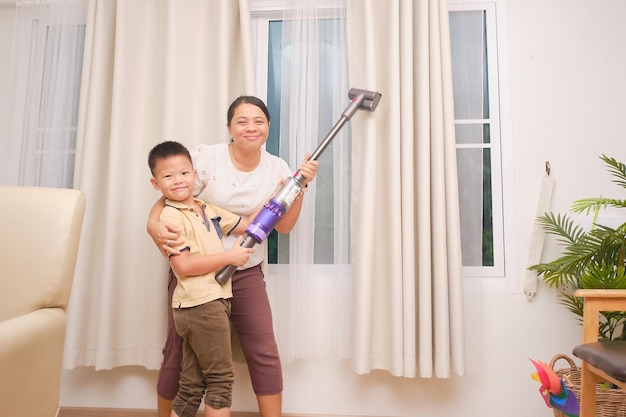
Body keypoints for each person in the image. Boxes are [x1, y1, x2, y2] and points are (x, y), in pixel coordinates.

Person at [147, 96, 319, 417]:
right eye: (242, 121)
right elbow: (172, 193)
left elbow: (282, 226)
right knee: (177, 353)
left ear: (268, 126)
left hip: (246, 271)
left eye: (258, 121)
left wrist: (300, 187)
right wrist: (152, 224)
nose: (250, 128)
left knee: (263, 350)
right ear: (229, 127)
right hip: (195, 275)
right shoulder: (207, 159)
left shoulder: (277, 168)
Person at [148, 140, 256, 417]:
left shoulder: (206, 208)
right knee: (220, 382)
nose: (178, 181)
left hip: (208, 303)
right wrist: (229, 258)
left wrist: (286, 192)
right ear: (155, 183)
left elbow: (250, 225)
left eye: (184, 173)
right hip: (201, 306)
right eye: (167, 176)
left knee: (192, 386)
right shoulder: (170, 218)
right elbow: (182, 266)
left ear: (195, 175)